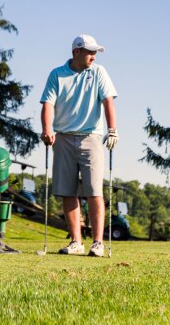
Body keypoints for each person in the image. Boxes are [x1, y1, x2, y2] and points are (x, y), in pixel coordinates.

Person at [40, 34, 118, 257]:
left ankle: (97, 243)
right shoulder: (57, 74)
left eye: (95, 52)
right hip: (63, 138)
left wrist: (112, 129)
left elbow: (108, 101)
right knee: (67, 192)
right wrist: (47, 129)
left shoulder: (99, 72)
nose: (93, 56)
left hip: (91, 138)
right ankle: (76, 242)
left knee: (94, 191)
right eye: (90, 52)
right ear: (76, 52)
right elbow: (48, 104)